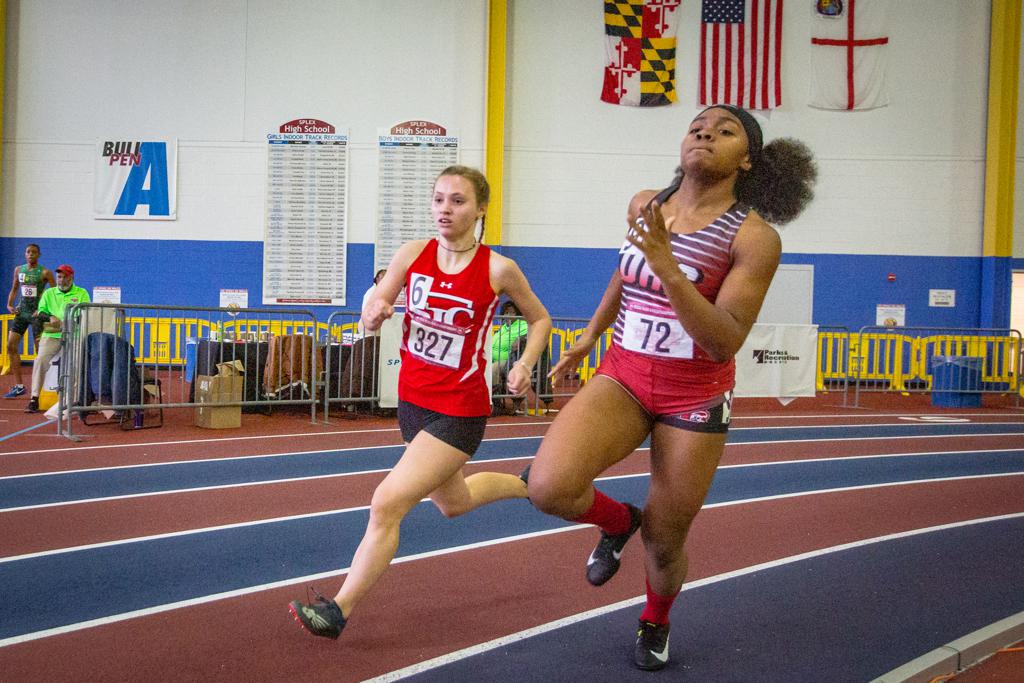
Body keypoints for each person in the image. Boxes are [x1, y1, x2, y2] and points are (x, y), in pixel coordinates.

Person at [525, 105, 816, 670]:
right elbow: (624, 271)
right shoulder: (645, 205)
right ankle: (616, 522)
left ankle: (655, 619)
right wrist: (588, 336)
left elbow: (723, 340)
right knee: (548, 486)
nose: (705, 131)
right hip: (625, 373)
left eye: (725, 131)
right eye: (697, 126)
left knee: (665, 537)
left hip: (695, 393)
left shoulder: (755, 239)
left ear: (747, 159)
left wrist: (670, 267)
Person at [289, 165, 552, 639]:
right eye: (438, 200)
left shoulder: (498, 269)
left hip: (460, 408)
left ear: (480, 209)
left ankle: (339, 609)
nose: (445, 210)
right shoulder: (413, 254)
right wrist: (374, 310)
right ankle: (530, 486)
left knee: (386, 503)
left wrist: (525, 363)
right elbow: (372, 312)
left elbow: (540, 319)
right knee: (455, 501)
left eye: (457, 201)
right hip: (414, 403)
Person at [25, 264, 90, 413]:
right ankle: (34, 398)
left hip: (74, 334)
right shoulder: (49, 293)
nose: (61, 280)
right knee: (40, 360)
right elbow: (40, 312)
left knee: (76, 365)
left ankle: (72, 401)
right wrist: (50, 316)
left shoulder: (81, 293)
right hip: (52, 334)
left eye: (65, 277)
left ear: (71, 278)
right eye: (59, 277)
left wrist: (69, 321)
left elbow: (85, 313)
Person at [4, 244, 55, 398]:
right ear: (25, 254)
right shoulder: (19, 270)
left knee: (40, 352)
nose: (31, 254)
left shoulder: (45, 272)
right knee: (10, 345)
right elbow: (14, 289)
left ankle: (41, 389)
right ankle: (19, 386)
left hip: (36, 315)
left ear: (39, 254)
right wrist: (10, 305)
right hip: (22, 313)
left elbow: (54, 294)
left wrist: (43, 309)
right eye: (28, 252)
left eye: (34, 252)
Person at [490, 299, 528, 411]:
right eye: (506, 313)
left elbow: (526, 339)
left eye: (512, 312)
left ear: (518, 314)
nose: (509, 315)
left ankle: (495, 403)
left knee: (494, 368)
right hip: (493, 359)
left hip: (511, 361)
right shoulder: (503, 327)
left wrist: (521, 339)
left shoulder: (523, 325)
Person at [357, 268, 387, 337]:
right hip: (369, 325)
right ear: (377, 279)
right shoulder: (372, 292)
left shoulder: (381, 292)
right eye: (383, 278)